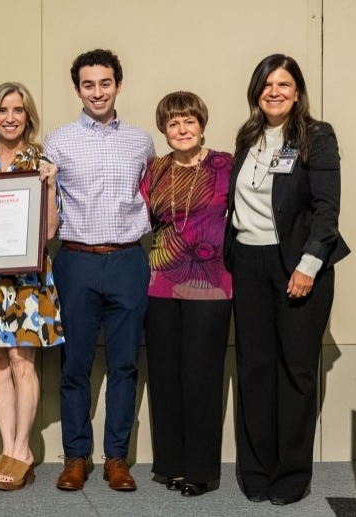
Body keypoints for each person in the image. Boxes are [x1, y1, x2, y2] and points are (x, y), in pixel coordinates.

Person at [224, 54, 349, 506]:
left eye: (284, 84)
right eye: (266, 84)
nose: (274, 92)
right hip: (249, 264)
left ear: (297, 91)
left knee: (295, 371)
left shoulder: (316, 136)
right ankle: (256, 471)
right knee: (254, 370)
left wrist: (308, 265)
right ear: (256, 90)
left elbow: (326, 210)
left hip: (298, 267)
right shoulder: (248, 136)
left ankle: (291, 475)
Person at [42, 49, 155, 492]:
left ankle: (117, 458)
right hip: (75, 261)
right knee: (75, 365)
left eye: (105, 83)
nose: (97, 92)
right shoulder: (57, 141)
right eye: (88, 85)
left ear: (118, 84)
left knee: (125, 364)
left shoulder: (142, 142)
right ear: (77, 90)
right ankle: (75, 457)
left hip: (128, 259)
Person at [0, 82, 63, 491]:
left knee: (23, 362)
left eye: (18, 110)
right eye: (3, 110)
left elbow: (51, 230)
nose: (10, 117)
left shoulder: (41, 163)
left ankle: (22, 450)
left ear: (28, 116)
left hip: (28, 281)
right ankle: (7, 446)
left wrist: (51, 184)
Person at [139, 91, 233, 497]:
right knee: (165, 376)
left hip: (212, 284)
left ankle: (200, 471)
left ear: (201, 124)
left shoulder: (225, 165)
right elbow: (137, 217)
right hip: (159, 284)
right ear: (164, 128)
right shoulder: (155, 169)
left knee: (202, 376)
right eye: (173, 123)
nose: (182, 129)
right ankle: (171, 465)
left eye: (188, 121)